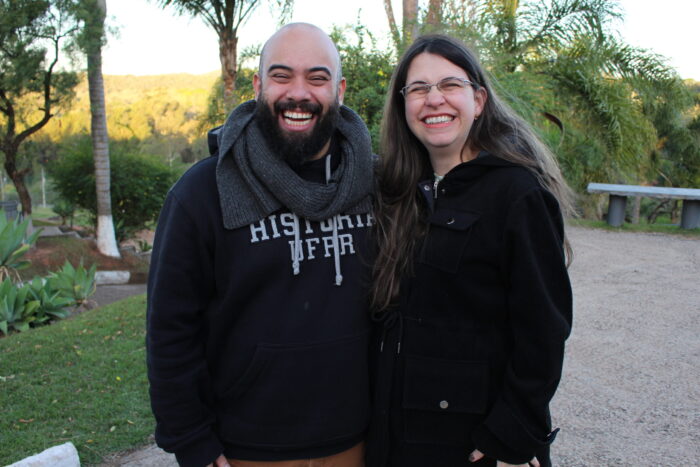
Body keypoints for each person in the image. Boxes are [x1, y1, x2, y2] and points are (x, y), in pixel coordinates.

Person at [146, 23, 375, 467]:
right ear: (257, 85)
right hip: (246, 448)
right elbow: (170, 331)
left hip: (357, 441)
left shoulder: (375, 185)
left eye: (318, 77)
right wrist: (191, 439)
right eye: (281, 75)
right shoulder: (202, 194)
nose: (299, 93)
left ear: (340, 89)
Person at [366, 35, 574, 467]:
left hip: (473, 445)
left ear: (478, 99)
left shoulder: (516, 195)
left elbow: (543, 329)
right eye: (418, 89)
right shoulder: (398, 193)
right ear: (403, 106)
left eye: (449, 85)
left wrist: (512, 433)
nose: (433, 99)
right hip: (398, 438)